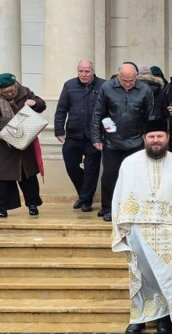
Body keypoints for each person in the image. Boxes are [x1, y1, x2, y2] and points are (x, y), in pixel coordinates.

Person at [111, 118, 172, 334]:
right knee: (141, 275)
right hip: (139, 229)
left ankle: (165, 317)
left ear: (167, 138)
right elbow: (119, 197)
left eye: (160, 136)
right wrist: (121, 228)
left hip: (169, 229)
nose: (155, 140)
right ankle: (138, 317)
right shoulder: (129, 163)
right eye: (151, 137)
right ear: (144, 139)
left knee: (167, 274)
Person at [92, 62, 156, 223]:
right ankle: (108, 208)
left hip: (136, 141)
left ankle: (132, 207)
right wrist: (96, 138)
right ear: (118, 76)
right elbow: (98, 113)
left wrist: (149, 138)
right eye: (124, 80)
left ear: (137, 77)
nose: (128, 84)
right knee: (109, 175)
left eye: (131, 80)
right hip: (112, 141)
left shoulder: (144, 90)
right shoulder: (107, 88)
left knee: (134, 177)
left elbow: (151, 116)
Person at [54, 60, 105, 212]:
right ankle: (84, 194)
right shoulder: (69, 85)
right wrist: (58, 129)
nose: (83, 74)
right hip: (73, 133)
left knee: (91, 169)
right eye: (80, 71)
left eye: (87, 71)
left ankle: (85, 201)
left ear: (93, 71)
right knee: (71, 164)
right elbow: (62, 109)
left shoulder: (103, 85)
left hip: (94, 136)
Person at [0, 75, 46, 219]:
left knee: (28, 175)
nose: (9, 94)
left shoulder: (25, 92)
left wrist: (34, 103)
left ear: (16, 86)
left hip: (25, 142)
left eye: (11, 91)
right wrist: (14, 122)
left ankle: (32, 205)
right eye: (4, 92)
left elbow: (41, 105)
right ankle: (2, 208)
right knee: (4, 178)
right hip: (4, 144)